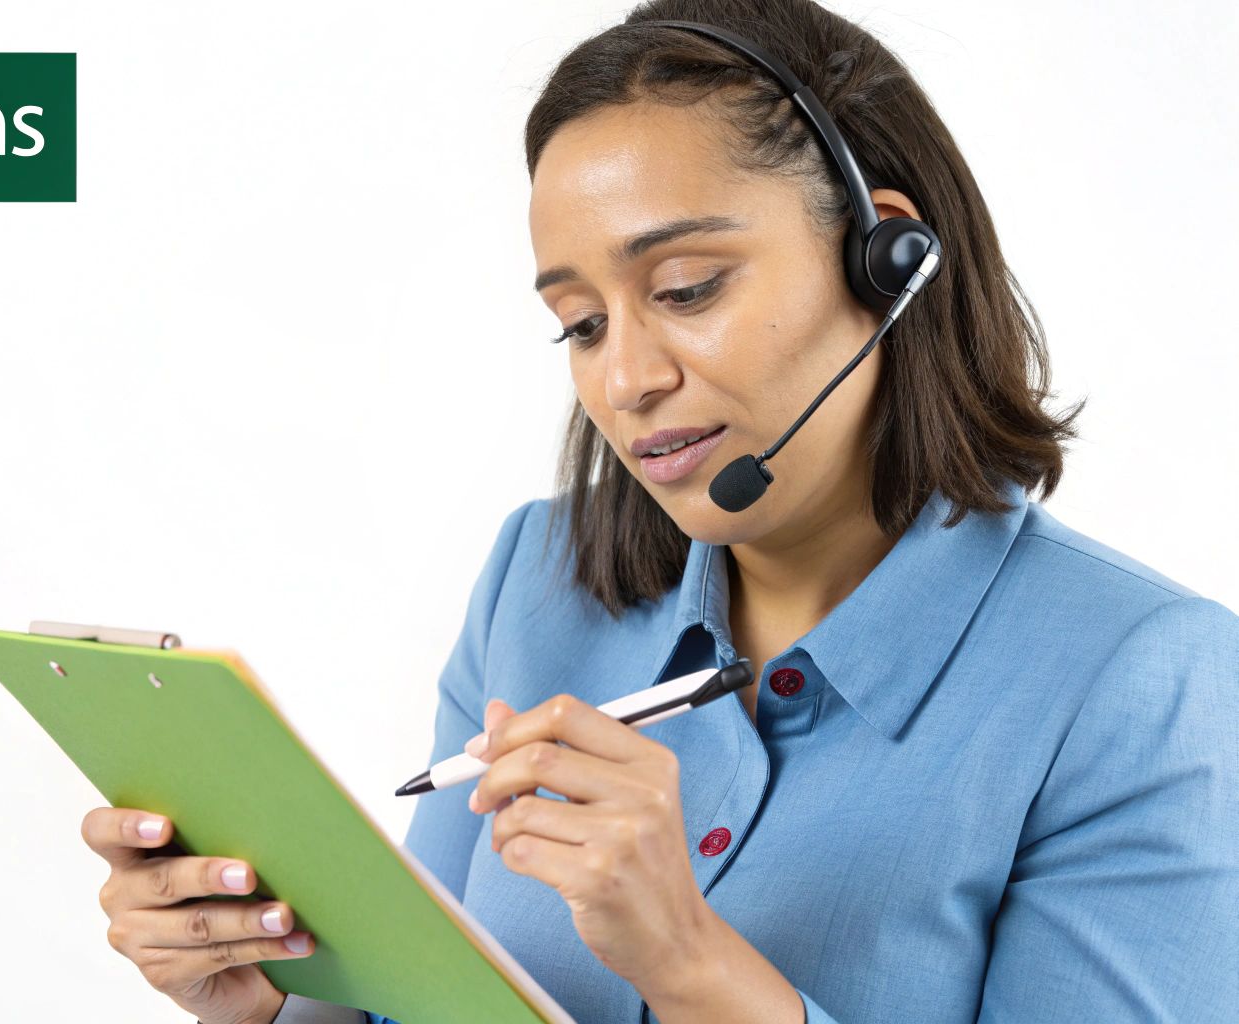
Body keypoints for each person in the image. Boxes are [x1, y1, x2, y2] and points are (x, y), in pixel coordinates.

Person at [83, 1, 1239, 1021]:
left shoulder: (1146, 683)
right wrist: (271, 1003)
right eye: (580, 323)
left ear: (888, 255)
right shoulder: (536, 579)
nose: (624, 378)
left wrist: (688, 964)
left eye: (684, 290)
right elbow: (428, 1008)